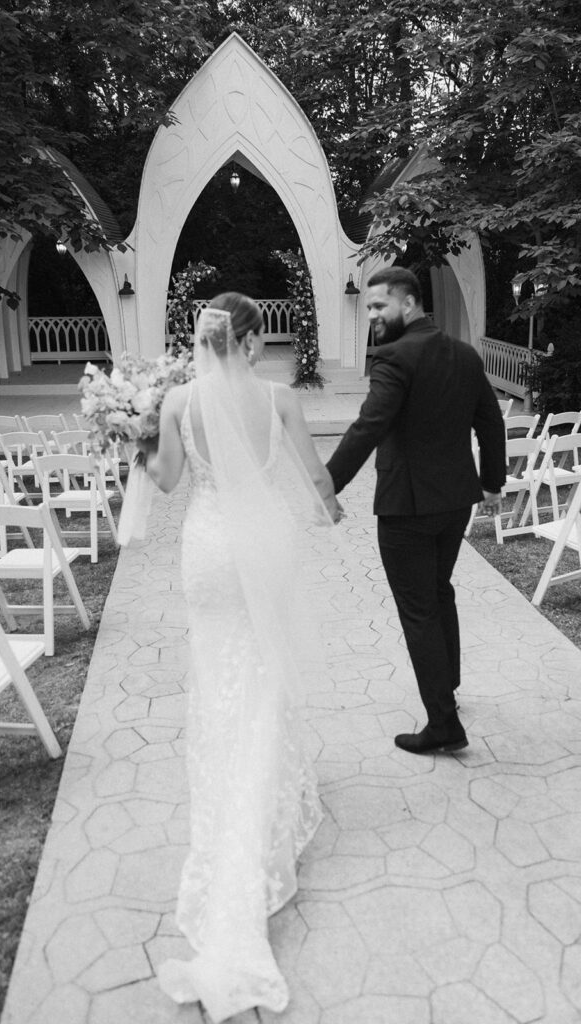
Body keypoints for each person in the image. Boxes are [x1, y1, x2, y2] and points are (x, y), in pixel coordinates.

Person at [138, 292, 341, 1020]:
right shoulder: (280, 398)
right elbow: (313, 479)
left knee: (218, 667)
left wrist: (133, 440)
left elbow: (165, 483)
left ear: (205, 340)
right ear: (251, 341)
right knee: (264, 669)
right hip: (264, 542)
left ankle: (227, 779)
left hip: (207, 546)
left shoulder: (178, 401)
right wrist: (332, 505)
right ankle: (265, 792)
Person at [326, 267, 506, 755]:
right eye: (370, 310)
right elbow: (491, 422)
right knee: (439, 592)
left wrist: (326, 485)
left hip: (407, 507)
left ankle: (443, 723)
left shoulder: (394, 356)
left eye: (380, 307)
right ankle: (448, 685)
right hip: (454, 503)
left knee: (419, 610)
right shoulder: (464, 354)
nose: (374, 317)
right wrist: (492, 482)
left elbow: (369, 425)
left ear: (409, 304)